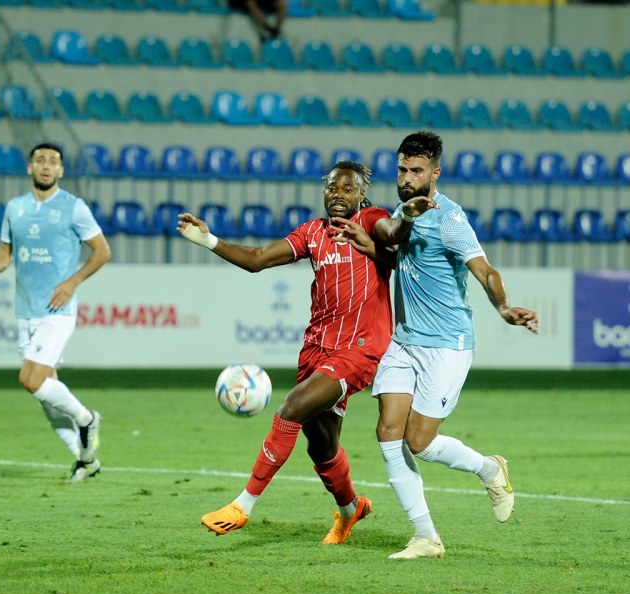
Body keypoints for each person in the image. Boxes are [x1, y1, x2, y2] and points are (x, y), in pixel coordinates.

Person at [177, 161, 436, 543]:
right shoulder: (312, 233)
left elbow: (391, 231)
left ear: (361, 194)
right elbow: (258, 259)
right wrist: (209, 240)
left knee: (291, 408)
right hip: (316, 348)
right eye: (332, 188)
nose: (338, 195)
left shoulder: (372, 220)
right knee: (322, 446)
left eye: (347, 189)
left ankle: (242, 505)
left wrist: (408, 218)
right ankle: (351, 510)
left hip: (359, 348)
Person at [333, 131, 539, 559]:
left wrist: (502, 307)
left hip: (447, 344)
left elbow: (484, 270)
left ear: (435, 173)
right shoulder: (403, 211)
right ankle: (426, 536)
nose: (407, 178)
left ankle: (490, 468)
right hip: (405, 341)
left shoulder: (451, 219)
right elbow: (399, 250)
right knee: (389, 433)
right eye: (402, 170)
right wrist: (373, 244)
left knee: (420, 442)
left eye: (417, 171)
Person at [0, 143, 111, 483]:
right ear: (30, 168)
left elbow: (102, 251)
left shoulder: (73, 207)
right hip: (25, 311)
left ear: (61, 171)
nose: (47, 166)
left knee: (30, 380)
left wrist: (73, 282)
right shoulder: (15, 208)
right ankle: (86, 460)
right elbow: (6, 254)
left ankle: (87, 418)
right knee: (46, 395)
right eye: (40, 160)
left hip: (57, 309)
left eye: (53, 162)